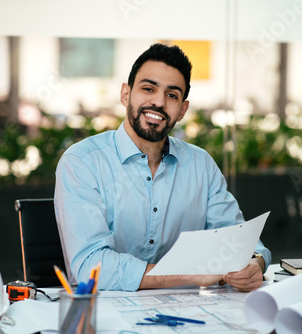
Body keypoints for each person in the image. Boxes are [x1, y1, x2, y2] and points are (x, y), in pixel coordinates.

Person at [54, 43, 271, 292]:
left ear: (182, 110)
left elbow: (238, 240)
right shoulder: (82, 163)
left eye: (172, 95)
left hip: (188, 314)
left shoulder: (201, 164)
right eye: (148, 88)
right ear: (125, 94)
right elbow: (89, 268)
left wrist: (255, 262)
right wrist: (189, 274)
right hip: (105, 316)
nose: (158, 102)